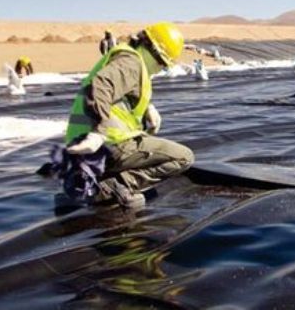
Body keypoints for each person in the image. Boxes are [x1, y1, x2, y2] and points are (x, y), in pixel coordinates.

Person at [54, 21, 195, 210]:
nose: (160, 70)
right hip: (107, 144)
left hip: (83, 146)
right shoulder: (132, 62)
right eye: (162, 65)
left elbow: (118, 90)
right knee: (183, 157)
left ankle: (97, 181)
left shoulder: (126, 57)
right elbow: (102, 85)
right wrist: (99, 132)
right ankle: (114, 186)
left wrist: (147, 108)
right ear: (156, 54)